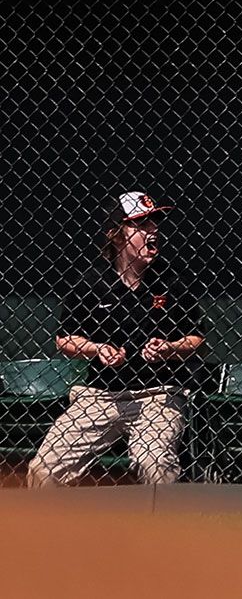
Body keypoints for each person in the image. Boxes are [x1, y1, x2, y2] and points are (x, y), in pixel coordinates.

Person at [28, 192, 204, 487]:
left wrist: (169, 348)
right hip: (99, 395)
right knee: (43, 468)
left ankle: (168, 531)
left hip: (157, 395)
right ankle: (53, 531)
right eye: (142, 225)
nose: (153, 231)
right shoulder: (91, 282)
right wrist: (97, 349)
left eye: (154, 224)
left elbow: (197, 337)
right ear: (118, 234)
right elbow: (64, 339)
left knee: (155, 463)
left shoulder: (171, 280)